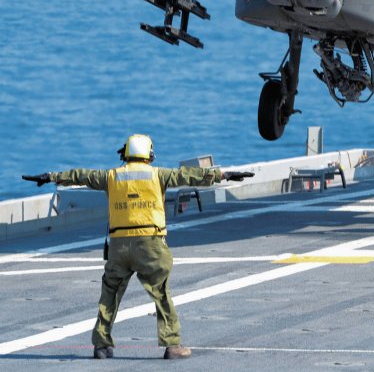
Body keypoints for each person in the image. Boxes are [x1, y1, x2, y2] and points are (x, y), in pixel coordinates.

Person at [22, 134, 252, 360]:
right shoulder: (158, 174)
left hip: (118, 246)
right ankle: (172, 345)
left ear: (127, 153)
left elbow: (81, 176)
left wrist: (51, 176)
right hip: (150, 244)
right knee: (161, 293)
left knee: (110, 294)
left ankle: (101, 345)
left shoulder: (111, 176)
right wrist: (224, 174)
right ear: (149, 154)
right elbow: (189, 176)